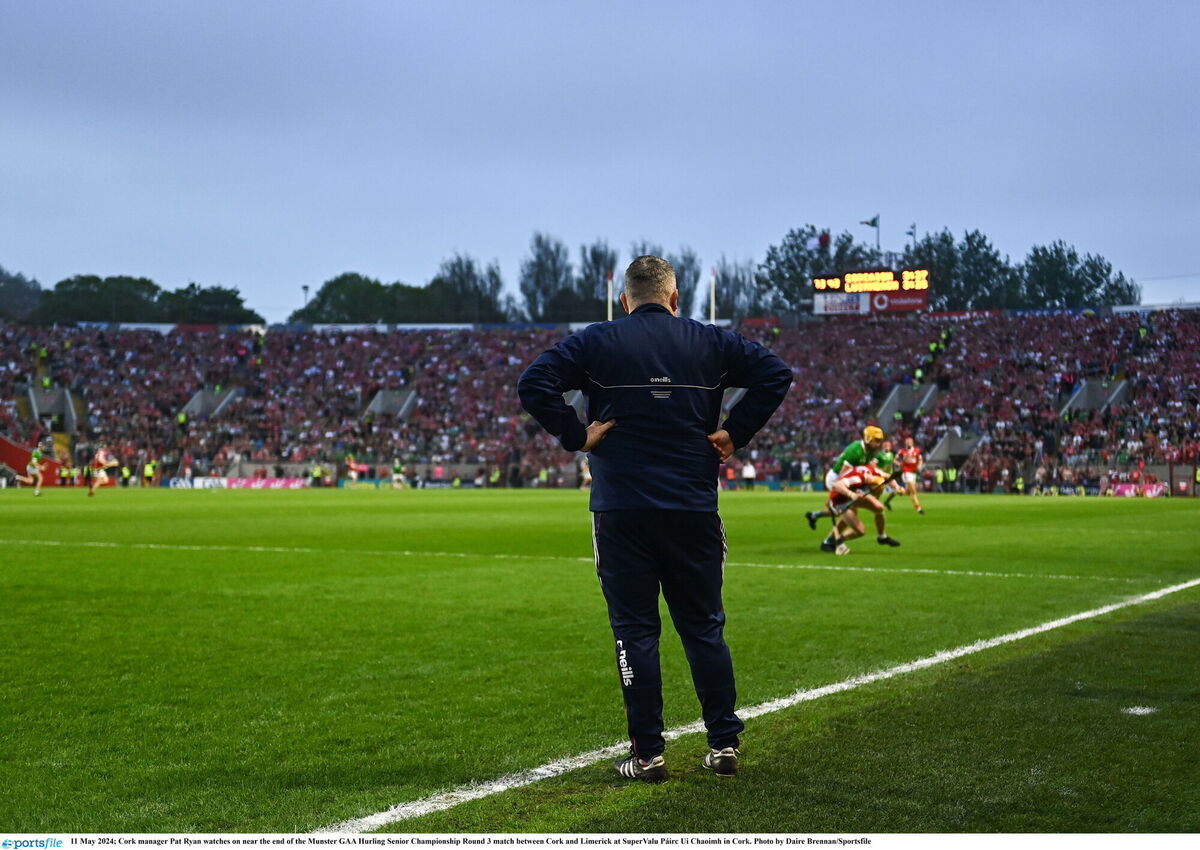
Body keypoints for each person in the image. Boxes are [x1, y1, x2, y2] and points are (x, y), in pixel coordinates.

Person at [518, 255, 791, 782]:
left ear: (625, 301)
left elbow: (534, 383)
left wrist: (577, 435)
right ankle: (724, 745)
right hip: (692, 508)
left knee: (634, 632)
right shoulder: (709, 340)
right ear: (674, 298)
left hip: (621, 512)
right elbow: (776, 373)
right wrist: (738, 431)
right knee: (704, 628)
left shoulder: (598, 340)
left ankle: (648, 755)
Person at [805, 426, 886, 528]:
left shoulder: (870, 451)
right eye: (877, 440)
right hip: (836, 479)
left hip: (849, 479)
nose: (879, 444)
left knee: (843, 511)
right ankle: (833, 540)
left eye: (880, 440)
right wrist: (848, 492)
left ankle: (815, 515)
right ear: (868, 439)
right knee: (847, 511)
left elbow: (867, 468)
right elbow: (843, 475)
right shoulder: (855, 451)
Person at [820, 463, 893, 555]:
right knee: (860, 531)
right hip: (840, 502)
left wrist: (897, 488)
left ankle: (881, 537)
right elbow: (836, 485)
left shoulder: (874, 476)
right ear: (870, 485)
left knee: (879, 507)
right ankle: (832, 541)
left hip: (851, 497)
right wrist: (852, 494)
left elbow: (889, 476)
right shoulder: (857, 479)